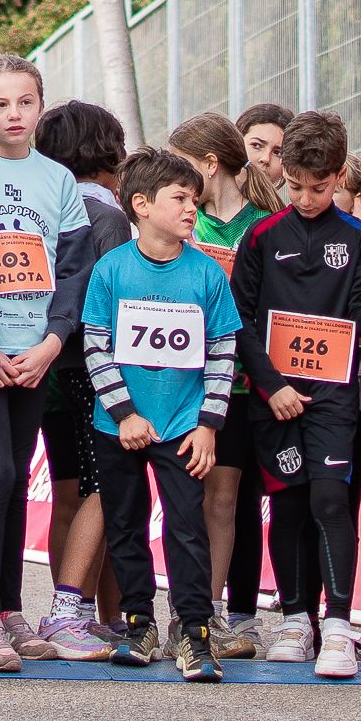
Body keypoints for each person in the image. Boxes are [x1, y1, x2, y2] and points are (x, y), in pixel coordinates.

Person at [0, 54, 88, 668]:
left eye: (24, 102)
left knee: (8, 477)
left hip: (36, 355)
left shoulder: (57, 180)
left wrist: (52, 343)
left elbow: (76, 269)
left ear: (40, 106)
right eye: (0, 104)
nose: (13, 114)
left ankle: (7, 605)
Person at [232, 109, 361, 676]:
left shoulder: (360, 238)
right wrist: (271, 386)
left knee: (329, 501)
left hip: (335, 396)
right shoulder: (263, 236)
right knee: (289, 504)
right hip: (275, 397)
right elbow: (239, 320)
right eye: (294, 186)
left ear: (340, 176)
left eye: (318, 188)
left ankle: (340, 625)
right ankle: (296, 617)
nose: (305, 197)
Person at [82, 146, 239, 680]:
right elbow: (96, 346)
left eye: (196, 199)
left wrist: (209, 426)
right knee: (124, 524)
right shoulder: (111, 269)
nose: (192, 208)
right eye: (180, 199)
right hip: (119, 425)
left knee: (187, 527)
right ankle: (137, 622)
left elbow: (222, 352)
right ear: (142, 205)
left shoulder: (208, 275)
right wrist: (123, 413)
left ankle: (193, 631)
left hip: (184, 426)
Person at [30, 98, 131, 661]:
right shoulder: (106, 216)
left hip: (47, 366)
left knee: (70, 492)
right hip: (94, 370)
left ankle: (78, 608)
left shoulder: (43, 204)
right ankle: (87, 612)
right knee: (106, 487)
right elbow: (114, 300)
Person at [178, 111, 274, 659]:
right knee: (181, 494)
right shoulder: (185, 222)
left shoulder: (264, 223)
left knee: (224, 496)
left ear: (210, 165)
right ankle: (180, 610)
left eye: (187, 168)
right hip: (179, 380)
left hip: (237, 384)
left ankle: (209, 615)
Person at [239, 101, 293, 210]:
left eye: (278, 153)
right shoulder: (198, 209)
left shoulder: (281, 223)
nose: (266, 159)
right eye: (256, 145)